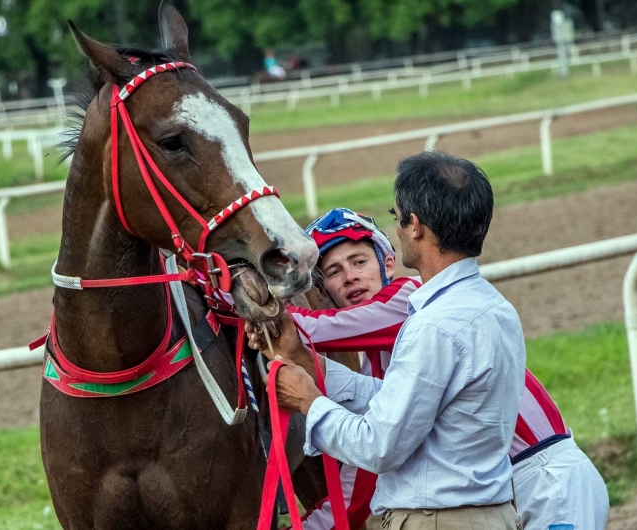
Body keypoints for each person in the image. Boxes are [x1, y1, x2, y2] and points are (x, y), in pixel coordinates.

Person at [253, 206, 609, 530]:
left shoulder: (406, 302)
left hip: (543, 481)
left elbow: (307, 327)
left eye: (359, 262)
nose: (350, 277)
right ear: (325, 289)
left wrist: (241, 299)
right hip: (507, 489)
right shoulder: (378, 356)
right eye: (334, 271)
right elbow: (363, 478)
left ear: (387, 263)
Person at [253, 152, 527, 529]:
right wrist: (309, 364)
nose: (397, 229)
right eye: (335, 271)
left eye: (397, 217)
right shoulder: (496, 307)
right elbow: (394, 402)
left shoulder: (432, 326)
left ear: (415, 226)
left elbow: (377, 446)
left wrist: (308, 400)